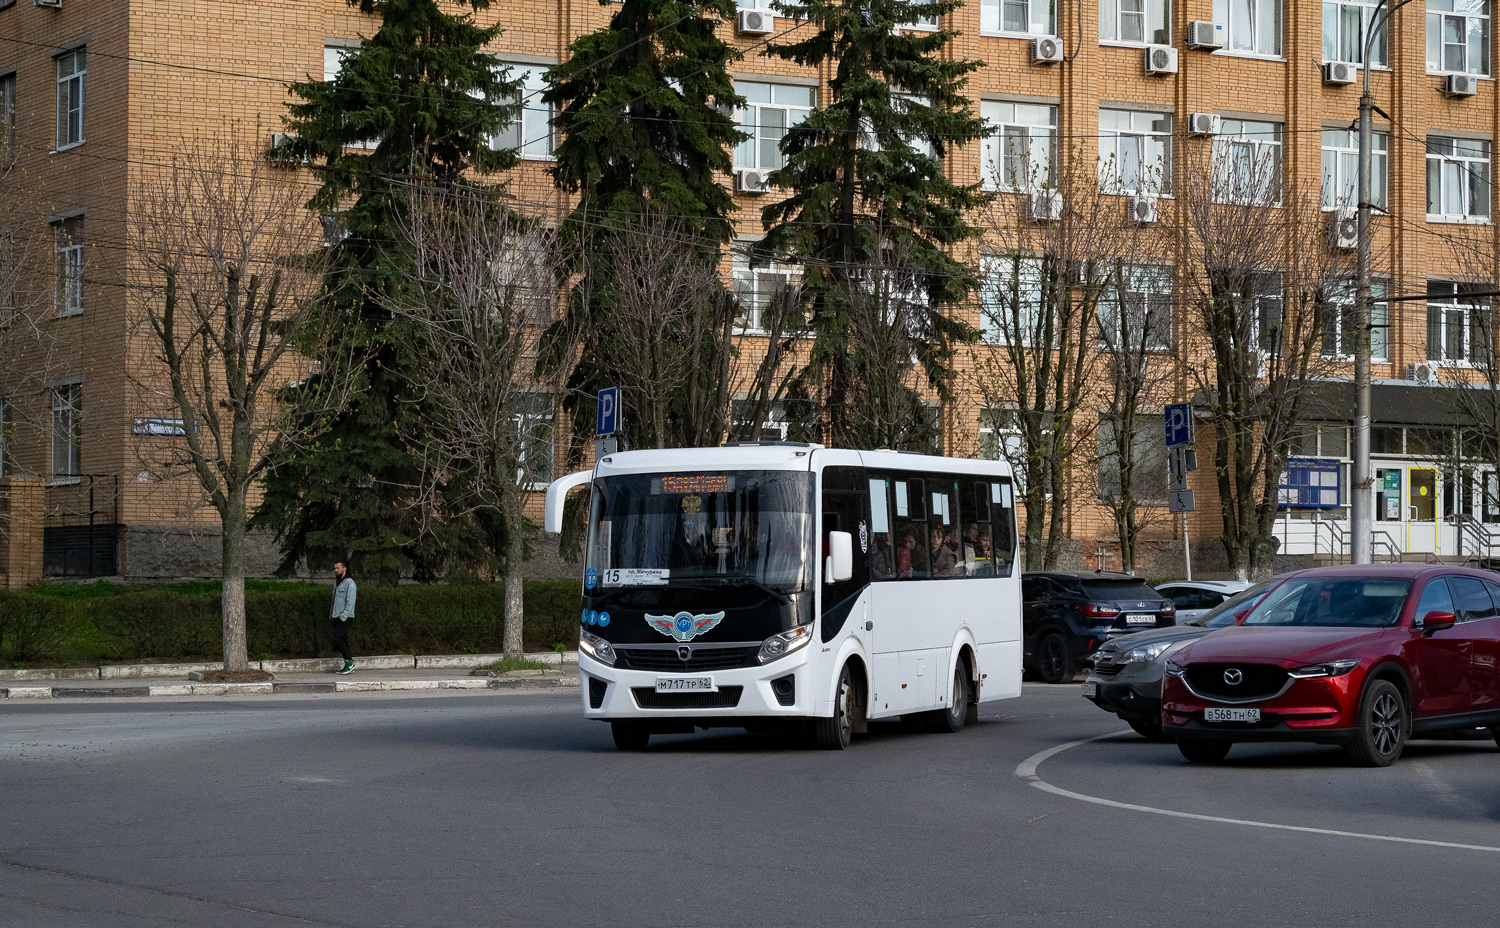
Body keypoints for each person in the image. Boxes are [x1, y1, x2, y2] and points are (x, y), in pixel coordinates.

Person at [330, 561, 357, 674]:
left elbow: (350, 602)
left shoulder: (350, 584)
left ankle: (349, 662)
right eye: (335, 568)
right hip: (336, 616)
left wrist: (343, 616)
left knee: (338, 638)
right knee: (343, 639)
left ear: (344, 569)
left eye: (338, 568)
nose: (336, 570)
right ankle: (348, 664)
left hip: (345, 617)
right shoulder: (338, 583)